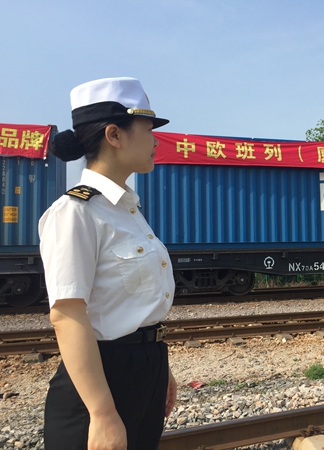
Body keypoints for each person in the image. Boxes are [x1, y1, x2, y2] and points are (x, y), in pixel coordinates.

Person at [39, 77, 177, 450]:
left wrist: (159, 366)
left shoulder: (127, 210)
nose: (155, 141)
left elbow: (129, 305)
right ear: (114, 135)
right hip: (101, 383)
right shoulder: (75, 212)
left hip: (144, 370)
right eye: (148, 130)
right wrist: (101, 413)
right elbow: (67, 315)